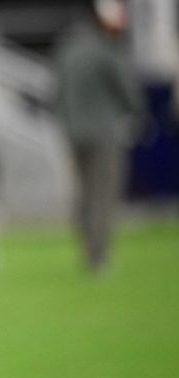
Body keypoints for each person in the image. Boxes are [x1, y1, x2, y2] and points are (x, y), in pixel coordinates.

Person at [56, 0, 143, 273]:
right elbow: (127, 91)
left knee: (84, 194)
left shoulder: (68, 47)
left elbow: (58, 91)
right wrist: (136, 111)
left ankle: (86, 251)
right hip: (105, 133)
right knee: (102, 196)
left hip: (74, 133)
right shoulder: (107, 48)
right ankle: (99, 256)